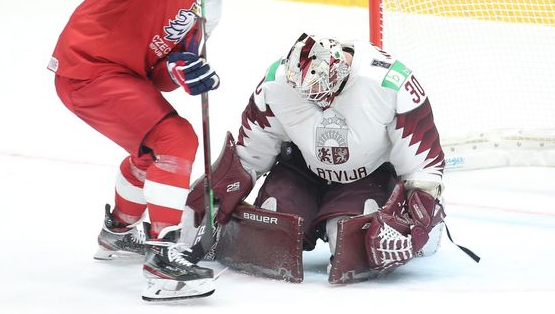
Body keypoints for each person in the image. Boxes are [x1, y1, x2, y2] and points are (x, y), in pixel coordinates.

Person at [47, 0, 252, 301]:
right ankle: (163, 260)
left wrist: (180, 71)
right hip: (88, 64)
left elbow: (159, 74)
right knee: (176, 139)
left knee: (152, 152)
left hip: (119, 76)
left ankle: (118, 232)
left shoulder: (210, 7)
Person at [187, 33, 447, 281]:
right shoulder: (275, 83)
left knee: (350, 242)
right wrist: (224, 188)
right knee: (272, 230)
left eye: (320, 94)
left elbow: (423, 162)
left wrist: (419, 216)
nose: (315, 102)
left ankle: (430, 235)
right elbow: (252, 151)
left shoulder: (390, 83)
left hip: (370, 172)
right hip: (301, 167)